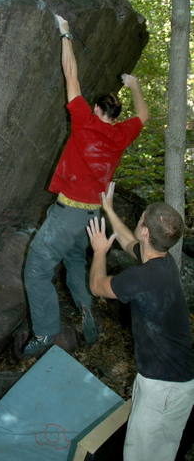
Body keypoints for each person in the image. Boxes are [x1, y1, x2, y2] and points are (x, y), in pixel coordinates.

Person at [22, 14, 149, 357]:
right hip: (93, 216)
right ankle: (86, 307)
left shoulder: (84, 121)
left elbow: (71, 75)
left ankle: (46, 331)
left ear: (96, 108)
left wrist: (65, 34)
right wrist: (134, 84)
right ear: (116, 115)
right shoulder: (122, 135)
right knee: (76, 261)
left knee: (36, 268)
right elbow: (145, 117)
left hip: (68, 214)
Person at [87, 182, 194, 461]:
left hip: (161, 388)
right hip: (183, 382)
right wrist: (108, 210)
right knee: (164, 453)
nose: (138, 222)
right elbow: (129, 243)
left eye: (141, 218)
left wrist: (99, 250)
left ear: (145, 231)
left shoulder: (141, 279)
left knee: (140, 455)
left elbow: (98, 286)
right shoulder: (163, 261)